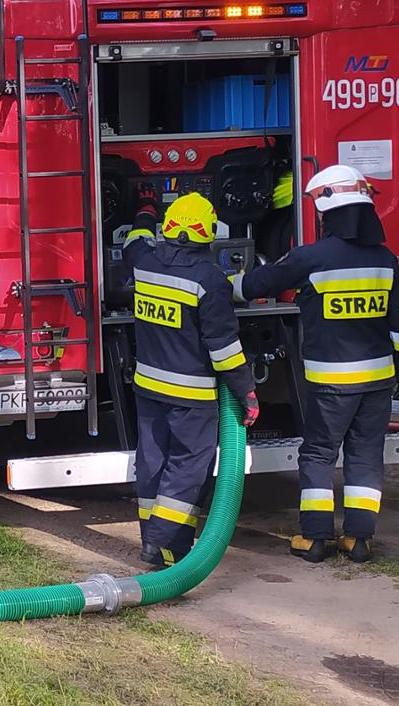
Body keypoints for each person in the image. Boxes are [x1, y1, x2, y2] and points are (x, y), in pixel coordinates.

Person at [234, 164, 399, 563]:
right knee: (366, 456)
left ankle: (315, 539)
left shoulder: (309, 257)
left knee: (318, 454)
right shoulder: (385, 260)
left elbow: (252, 287)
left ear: (328, 213)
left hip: (330, 383)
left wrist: (219, 284)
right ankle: (359, 540)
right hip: (378, 380)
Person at [122, 191, 259, 568]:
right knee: (187, 466)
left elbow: (135, 239)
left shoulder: (143, 262)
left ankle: (153, 539)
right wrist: (246, 391)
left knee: (151, 461)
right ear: (208, 232)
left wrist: (145, 210)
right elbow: (224, 348)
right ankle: (164, 546)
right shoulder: (209, 279)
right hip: (191, 394)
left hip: (148, 387)